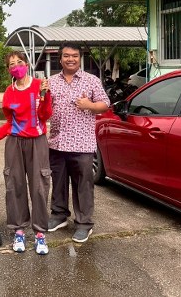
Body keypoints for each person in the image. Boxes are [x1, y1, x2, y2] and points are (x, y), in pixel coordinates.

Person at [0, 51, 52, 255]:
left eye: (19, 62)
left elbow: (45, 115)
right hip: (15, 142)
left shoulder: (39, 85)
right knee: (14, 185)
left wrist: (45, 96)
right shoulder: (9, 91)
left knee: (39, 186)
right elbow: (10, 123)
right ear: (9, 70)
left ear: (27, 64)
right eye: (12, 64)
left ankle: (40, 234)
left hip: (37, 142)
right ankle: (19, 231)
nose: (16, 66)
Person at [47, 41, 110, 243]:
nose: (70, 59)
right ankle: (59, 215)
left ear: (80, 58)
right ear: (60, 59)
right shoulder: (51, 81)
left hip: (81, 143)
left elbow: (105, 104)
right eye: (66, 56)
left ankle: (84, 223)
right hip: (56, 142)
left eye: (74, 56)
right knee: (58, 182)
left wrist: (89, 105)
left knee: (83, 185)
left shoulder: (91, 80)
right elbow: (44, 107)